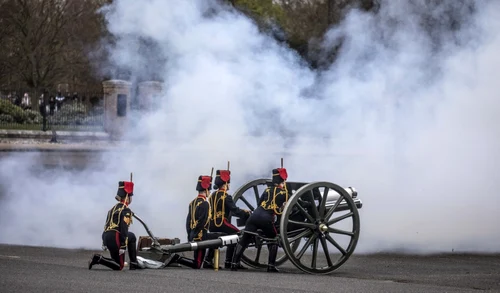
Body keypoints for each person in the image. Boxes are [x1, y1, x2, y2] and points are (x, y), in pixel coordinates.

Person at [231, 167, 289, 272]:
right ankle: (271, 266)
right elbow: (288, 208)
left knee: (244, 239)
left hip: (254, 216)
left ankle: (234, 263)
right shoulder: (283, 193)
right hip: (266, 219)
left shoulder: (267, 190)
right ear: (283, 181)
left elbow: (259, 203)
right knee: (274, 240)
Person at [168, 174, 219, 269]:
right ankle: (177, 258)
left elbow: (188, 221)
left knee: (216, 237)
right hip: (200, 236)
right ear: (207, 190)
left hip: (194, 233)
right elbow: (202, 222)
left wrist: (190, 234)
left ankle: (208, 261)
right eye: (209, 190)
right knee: (197, 264)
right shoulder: (205, 204)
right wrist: (196, 234)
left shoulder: (192, 202)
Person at [88, 180, 142, 270]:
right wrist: (123, 245)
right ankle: (98, 259)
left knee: (131, 236)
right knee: (119, 266)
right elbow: (123, 228)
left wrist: (104, 242)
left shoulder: (112, 209)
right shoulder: (125, 210)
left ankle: (133, 263)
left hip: (106, 236)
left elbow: (106, 225)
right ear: (127, 197)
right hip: (115, 237)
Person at [207, 169, 250, 269]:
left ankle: (207, 260)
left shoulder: (212, 195)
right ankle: (230, 262)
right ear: (225, 183)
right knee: (237, 235)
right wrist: (246, 213)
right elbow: (235, 210)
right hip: (221, 223)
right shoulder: (226, 196)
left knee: (215, 239)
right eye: (228, 183)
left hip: (212, 224)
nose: (229, 185)